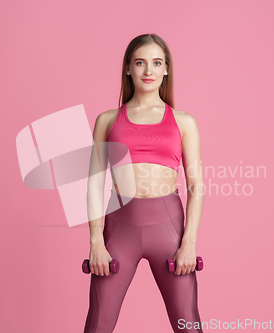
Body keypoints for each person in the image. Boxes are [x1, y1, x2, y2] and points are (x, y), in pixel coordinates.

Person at [85, 33, 204, 333]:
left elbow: (196, 186)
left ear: (166, 70)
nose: (148, 71)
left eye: (156, 63)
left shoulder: (183, 122)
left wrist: (189, 242)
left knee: (188, 325)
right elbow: (93, 184)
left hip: (169, 229)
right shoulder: (107, 120)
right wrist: (96, 241)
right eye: (140, 62)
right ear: (128, 68)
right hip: (118, 229)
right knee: (98, 326)